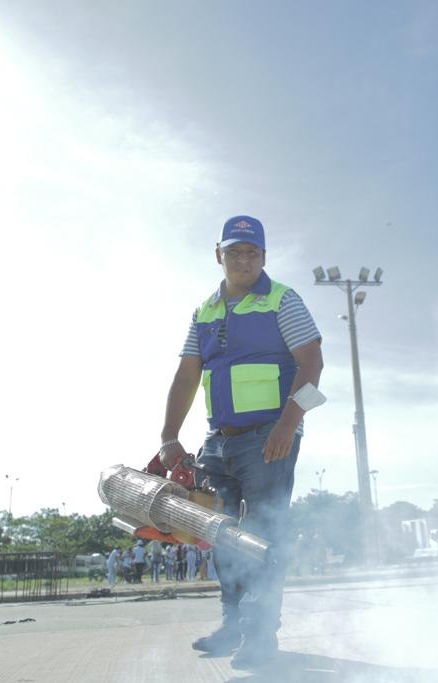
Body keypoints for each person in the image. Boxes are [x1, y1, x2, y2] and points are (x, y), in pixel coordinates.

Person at [159, 215, 324, 669]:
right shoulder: (204, 311)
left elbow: (312, 362)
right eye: (235, 251)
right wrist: (169, 435)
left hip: (270, 437)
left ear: (264, 257)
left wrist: (288, 424)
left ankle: (260, 636)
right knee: (221, 534)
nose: (244, 260)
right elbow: (187, 375)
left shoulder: (283, 300)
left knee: (264, 536)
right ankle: (233, 625)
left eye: (252, 252)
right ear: (219, 255)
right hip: (220, 441)